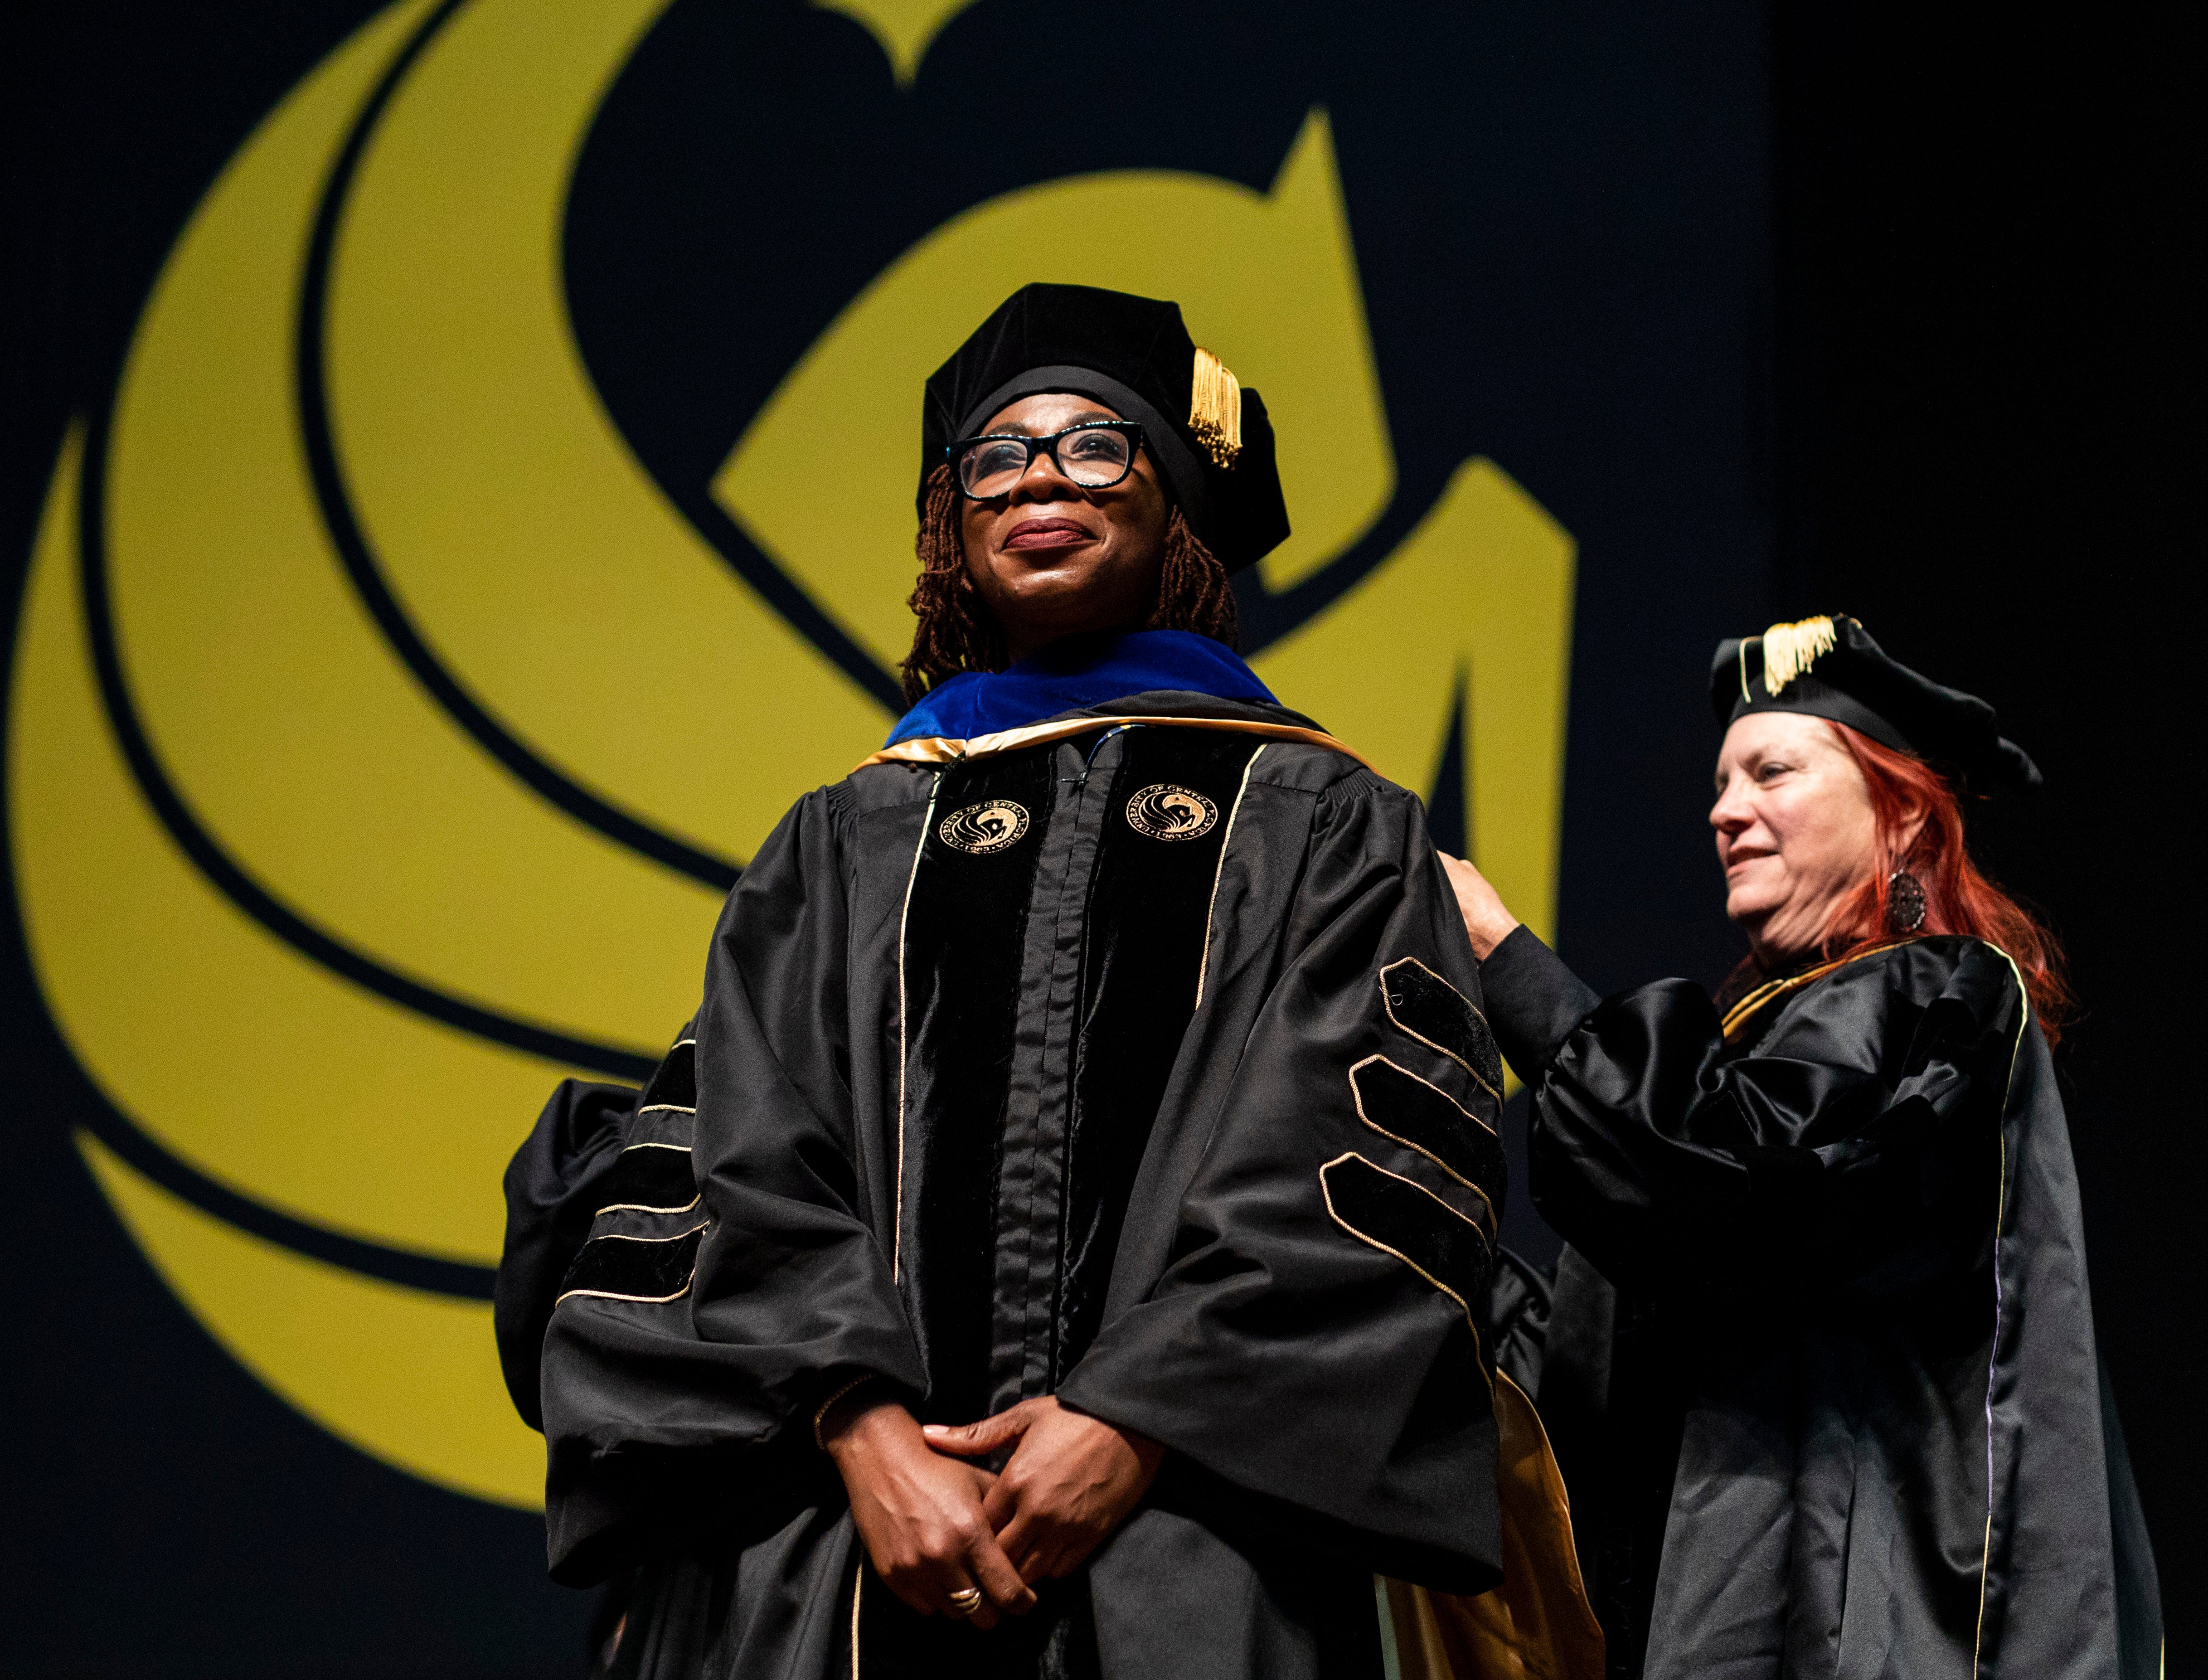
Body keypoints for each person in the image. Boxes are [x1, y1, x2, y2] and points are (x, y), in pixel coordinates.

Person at [495, 284, 1593, 1680]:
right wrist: (864, 1430)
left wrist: (1133, 1418)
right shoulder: (844, 838)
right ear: (950, 531)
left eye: (1094, 446)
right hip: (848, 1555)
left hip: (1197, 1539)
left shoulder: (1320, 820)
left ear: (1176, 502)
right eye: (995, 459)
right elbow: (737, 1160)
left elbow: (1360, 1166)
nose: (1037, 483)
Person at [1442, 615, 2162, 1679]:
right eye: (1723, 784)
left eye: (1772, 772)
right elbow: (1598, 1377)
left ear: (1904, 815)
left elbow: (1742, 1179)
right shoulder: (1755, 1064)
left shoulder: (1945, 1004)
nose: (1725, 812)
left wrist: (1507, 963)